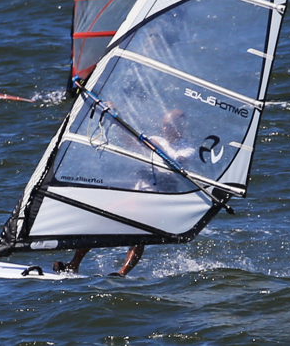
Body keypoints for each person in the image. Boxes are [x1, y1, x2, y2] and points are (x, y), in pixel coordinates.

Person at [52, 109, 192, 277]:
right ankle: (73, 265)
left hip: (158, 200)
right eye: (163, 126)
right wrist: (114, 116)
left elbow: (177, 166)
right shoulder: (158, 139)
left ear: (180, 127)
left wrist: (157, 147)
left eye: (168, 126)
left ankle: (122, 273)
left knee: (137, 235)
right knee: (97, 221)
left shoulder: (187, 149)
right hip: (137, 195)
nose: (164, 129)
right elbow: (129, 141)